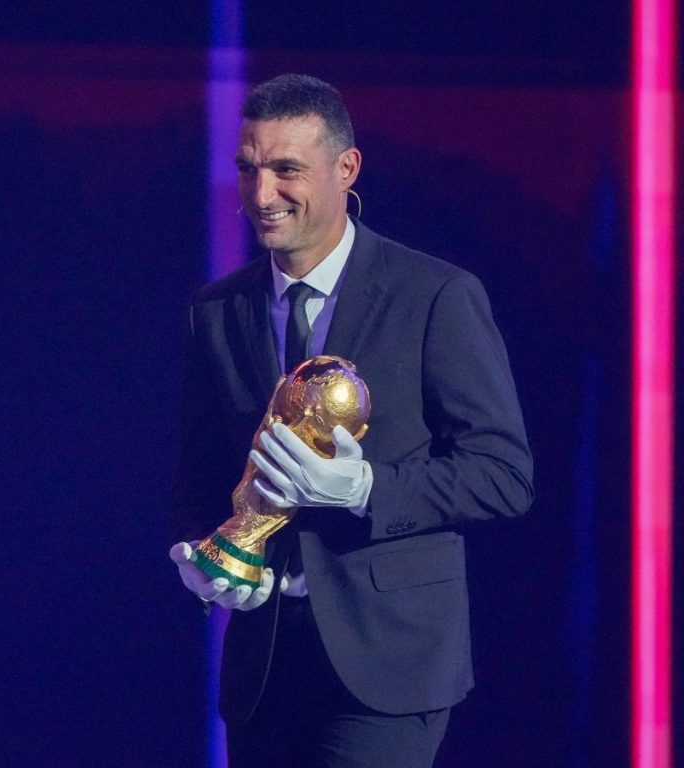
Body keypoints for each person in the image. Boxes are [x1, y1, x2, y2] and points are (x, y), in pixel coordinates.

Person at [169, 74, 533, 768]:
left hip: (389, 663)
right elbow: (197, 472)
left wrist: (366, 489)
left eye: (286, 170)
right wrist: (198, 555)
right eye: (248, 169)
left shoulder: (435, 296)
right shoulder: (216, 311)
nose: (261, 194)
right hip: (265, 666)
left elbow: (504, 476)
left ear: (346, 170)